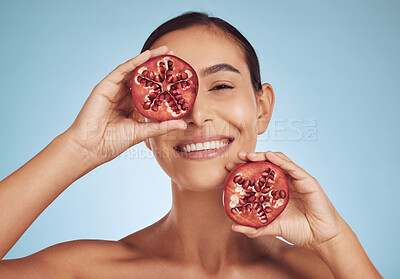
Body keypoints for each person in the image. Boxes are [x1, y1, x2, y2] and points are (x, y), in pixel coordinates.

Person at [0, 12, 382, 278]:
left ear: (262, 108)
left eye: (221, 86)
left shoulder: (330, 271)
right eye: (169, 93)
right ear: (139, 116)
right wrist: (79, 148)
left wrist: (335, 240)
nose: (197, 115)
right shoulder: (83, 272)